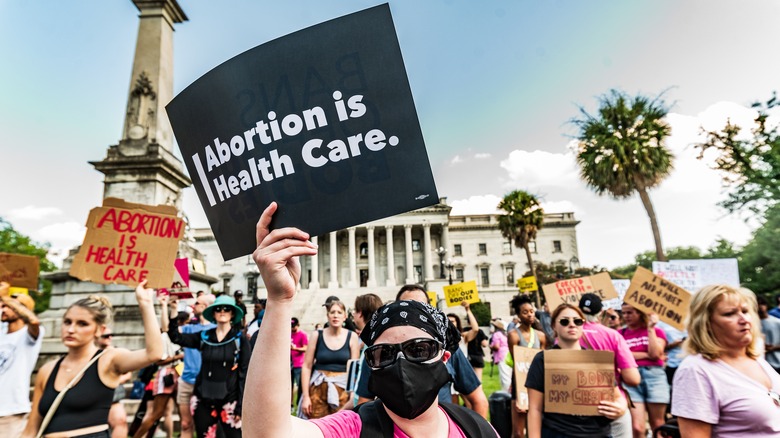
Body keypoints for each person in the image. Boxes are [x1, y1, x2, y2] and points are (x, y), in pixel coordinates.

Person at [244, 201, 498, 437]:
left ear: (445, 357)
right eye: (384, 353)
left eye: (419, 349)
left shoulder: (476, 429)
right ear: (371, 365)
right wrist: (279, 300)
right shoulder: (354, 428)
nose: (401, 362)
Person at [22, 282, 163, 438]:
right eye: (67, 322)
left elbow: (153, 354)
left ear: (100, 330)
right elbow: (31, 428)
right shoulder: (47, 370)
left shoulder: (108, 360)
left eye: (82, 324)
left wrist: (146, 303)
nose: (71, 329)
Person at [354, 285, 489, 419]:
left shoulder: (450, 351)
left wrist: (474, 430)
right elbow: (364, 401)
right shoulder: (378, 353)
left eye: (420, 309)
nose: (414, 316)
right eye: (406, 308)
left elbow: (478, 400)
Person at [672, 284, 780, 437]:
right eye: (730, 314)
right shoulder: (695, 370)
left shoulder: (757, 360)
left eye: (745, 311)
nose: (744, 319)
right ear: (706, 324)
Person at [526, 303, 627, 438]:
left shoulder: (597, 359)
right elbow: (535, 409)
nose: (572, 324)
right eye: (564, 321)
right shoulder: (543, 360)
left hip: (598, 433)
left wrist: (621, 408)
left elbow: (618, 397)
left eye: (577, 321)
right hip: (558, 434)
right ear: (554, 326)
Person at [165, 294, 249, 438]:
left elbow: (245, 372)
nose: (222, 311)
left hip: (230, 400)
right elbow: (176, 337)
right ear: (213, 313)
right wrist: (173, 309)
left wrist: (241, 406)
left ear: (232, 313)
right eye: (218, 309)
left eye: (227, 309)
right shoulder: (204, 336)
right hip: (203, 398)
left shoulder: (239, 338)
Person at [577, 293, 639, 438]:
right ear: (601, 312)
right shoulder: (613, 335)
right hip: (611, 405)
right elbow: (633, 379)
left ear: (578, 310)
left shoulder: (566, 335)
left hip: (576, 407)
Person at [133, 294, 183, 438]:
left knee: (183, 414)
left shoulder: (179, 336)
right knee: (156, 413)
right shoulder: (163, 337)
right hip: (166, 374)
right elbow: (159, 360)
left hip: (180, 375)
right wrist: (164, 305)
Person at [299, 299, 360, 418]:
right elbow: (307, 366)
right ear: (328, 316)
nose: (335, 315)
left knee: (339, 429)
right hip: (318, 388)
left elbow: (354, 369)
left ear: (345, 316)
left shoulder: (352, 336)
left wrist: (352, 395)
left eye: (339, 312)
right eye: (332, 312)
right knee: (316, 427)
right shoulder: (317, 335)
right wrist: (306, 397)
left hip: (342, 391)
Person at [0, 284, 44, 438]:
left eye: (8, 306)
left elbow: (34, 322)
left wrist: (7, 297)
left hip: (11, 410)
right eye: (2, 305)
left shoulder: (28, 335)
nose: (3, 309)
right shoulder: (1, 332)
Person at [619, 303, 669, 438]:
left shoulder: (657, 331)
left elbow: (655, 354)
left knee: (658, 424)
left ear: (639, 313)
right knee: (637, 427)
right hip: (631, 378)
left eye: (630, 312)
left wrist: (650, 328)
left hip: (655, 376)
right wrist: (646, 354)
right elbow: (619, 356)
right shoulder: (620, 334)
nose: (626, 316)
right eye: (623, 313)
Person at [173, 292, 215, 438]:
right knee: (185, 424)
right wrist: (171, 308)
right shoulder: (189, 328)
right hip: (186, 380)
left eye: (197, 303)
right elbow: (171, 333)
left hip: (207, 383)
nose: (193, 305)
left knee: (205, 425)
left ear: (206, 306)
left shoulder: (216, 330)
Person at [507, 294, 547, 438]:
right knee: (518, 432)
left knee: (534, 429)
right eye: (525, 312)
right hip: (520, 382)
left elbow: (543, 362)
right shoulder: (513, 335)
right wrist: (519, 393)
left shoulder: (541, 336)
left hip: (536, 383)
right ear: (518, 315)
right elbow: (517, 363)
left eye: (531, 311)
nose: (530, 315)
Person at [95, 327, 132, 438]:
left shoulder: (116, 353)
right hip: (93, 397)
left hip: (112, 396)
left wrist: (110, 381)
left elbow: (128, 374)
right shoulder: (88, 354)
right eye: (106, 336)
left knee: (121, 422)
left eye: (111, 335)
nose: (109, 338)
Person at [758, 295, 780, 375]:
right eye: (757, 304)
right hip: (763, 365)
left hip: (777, 362)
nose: (760, 307)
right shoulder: (751, 324)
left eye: (762, 304)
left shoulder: (777, 322)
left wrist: (773, 347)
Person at [290, 317, 309, 408]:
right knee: (289, 385)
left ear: (298, 325)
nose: (292, 328)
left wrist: (295, 348)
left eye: (294, 326)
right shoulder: (289, 334)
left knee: (299, 385)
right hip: (290, 363)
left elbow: (306, 348)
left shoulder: (303, 335)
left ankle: (300, 403)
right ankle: (291, 404)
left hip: (299, 363)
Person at [489, 318, 511, 392]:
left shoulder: (496, 334)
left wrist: (491, 346)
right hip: (508, 355)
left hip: (501, 356)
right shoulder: (505, 334)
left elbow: (497, 346)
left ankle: (506, 392)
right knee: (508, 374)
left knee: (504, 376)